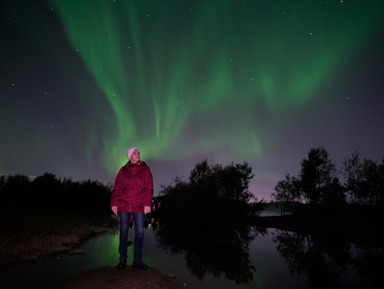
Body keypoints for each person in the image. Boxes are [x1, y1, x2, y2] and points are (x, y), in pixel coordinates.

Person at [110, 147, 154, 270]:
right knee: (124, 231)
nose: (138, 154)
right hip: (123, 205)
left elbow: (149, 187)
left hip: (139, 205)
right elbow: (117, 187)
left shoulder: (145, 169)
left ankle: (137, 260)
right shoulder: (123, 171)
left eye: (138, 152)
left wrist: (147, 204)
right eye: (134, 153)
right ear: (130, 156)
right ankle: (123, 258)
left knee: (140, 232)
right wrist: (114, 203)